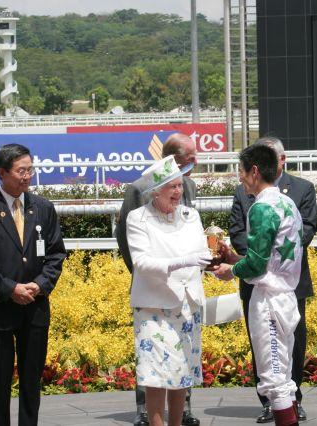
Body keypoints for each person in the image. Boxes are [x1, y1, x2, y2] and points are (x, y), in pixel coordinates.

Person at [0, 143, 66, 426]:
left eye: (30, 170)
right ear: (2, 172)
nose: (27, 176)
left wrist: (40, 284)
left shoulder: (43, 208)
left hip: (35, 309)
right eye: (21, 171)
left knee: (31, 383)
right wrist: (11, 289)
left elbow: (56, 253)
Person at [228, 137, 316, 423]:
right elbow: (269, 254)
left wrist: (228, 271)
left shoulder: (262, 207)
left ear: (254, 171)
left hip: (268, 301)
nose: (239, 177)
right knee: (284, 377)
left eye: (240, 171)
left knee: (274, 379)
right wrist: (233, 259)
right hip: (286, 296)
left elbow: (255, 265)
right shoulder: (287, 201)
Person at [115, 132, 200, 426]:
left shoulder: (191, 216)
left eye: (180, 186)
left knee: (181, 373)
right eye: (171, 188)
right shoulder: (138, 218)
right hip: (152, 304)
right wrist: (183, 262)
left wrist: (217, 264)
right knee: (155, 375)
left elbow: (201, 253)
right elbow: (140, 260)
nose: (178, 193)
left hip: (186, 304)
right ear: (155, 192)